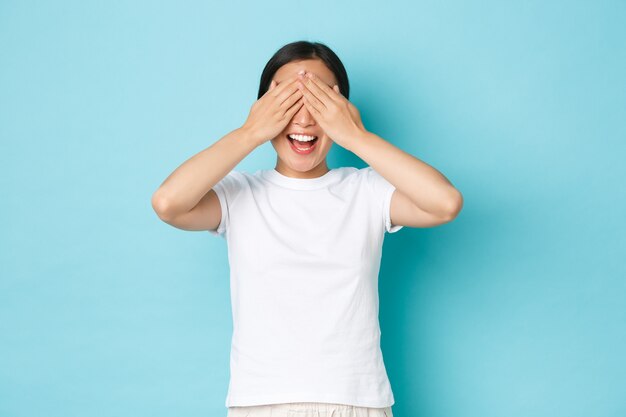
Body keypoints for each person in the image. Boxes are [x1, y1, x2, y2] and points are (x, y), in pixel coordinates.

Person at [151, 40, 463, 417]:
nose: (302, 120)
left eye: (318, 103)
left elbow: (445, 203)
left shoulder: (366, 190)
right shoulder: (239, 193)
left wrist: (356, 136)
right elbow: (168, 203)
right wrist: (250, 132)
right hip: (260, 403)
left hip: (357, 402)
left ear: (342, 110)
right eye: (287, 102)